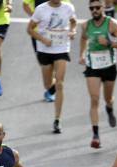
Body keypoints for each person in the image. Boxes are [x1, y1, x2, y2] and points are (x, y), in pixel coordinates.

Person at [79, 0, 117, 149]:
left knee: (108, 98)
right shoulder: (86, 25)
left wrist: (109, 43)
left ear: (103, 8)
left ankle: (109, 108)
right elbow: (83, 38)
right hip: (92, 66)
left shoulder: (111, 24)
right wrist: (82, 54)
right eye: (91, 8)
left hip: (109, 66)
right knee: (94, 99)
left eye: (97, 7)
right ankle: (95, 135)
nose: (94, 10)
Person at [28, 0, 78, 133]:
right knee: (48, 84)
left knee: (60, 83)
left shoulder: (68, 7)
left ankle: (57, 119)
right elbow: (30, 29)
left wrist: (73, 31)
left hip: (61, 48)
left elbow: (73, 22)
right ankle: (49, 89)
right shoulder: (41, 9)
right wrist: (43, 39)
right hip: (45, 50)